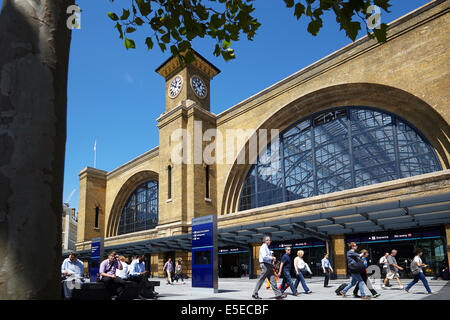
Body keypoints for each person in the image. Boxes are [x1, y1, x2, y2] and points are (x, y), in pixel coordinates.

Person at [252, 235, 286, 300]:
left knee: (273, 280)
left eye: (270, 240)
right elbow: (264, 256)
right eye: (269, 240)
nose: (270, 241)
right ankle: (254, 294)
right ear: (266, 241)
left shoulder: (266, 248)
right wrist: (272, 257)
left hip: (268, 265)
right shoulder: (263, 247)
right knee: (261, 280)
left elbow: (267, 256)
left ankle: (278, 295)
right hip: (265, 265)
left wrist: (271, 259)